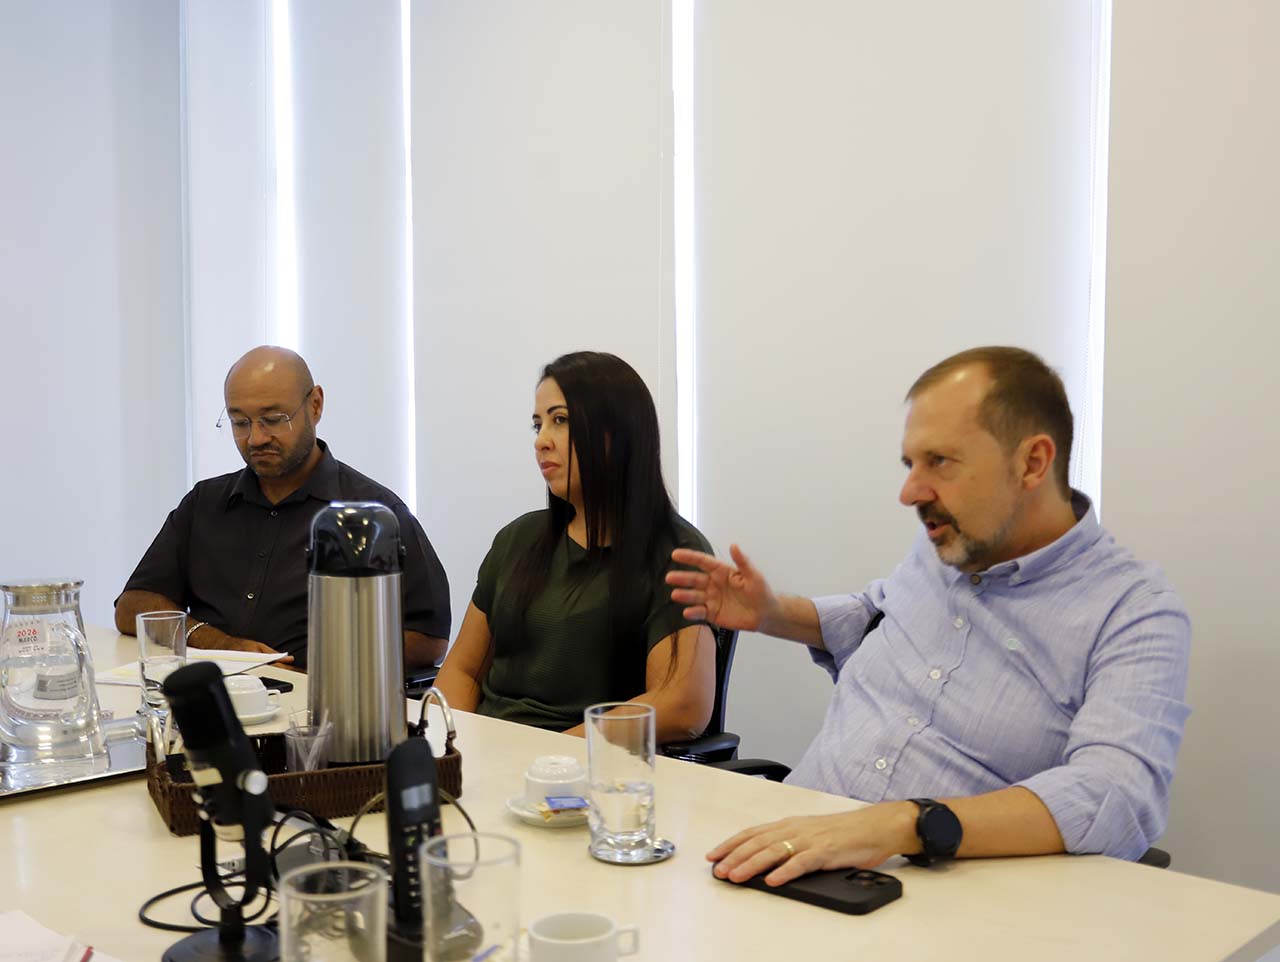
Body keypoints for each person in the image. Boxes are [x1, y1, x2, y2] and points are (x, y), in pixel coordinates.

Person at [666, 346, 1191, 885]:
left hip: (927, 888)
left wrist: (903, 823)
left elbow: (1117, 797)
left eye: (939, 461)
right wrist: (774, 613)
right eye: (910, 464)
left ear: (1033, 462)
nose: (909, 492)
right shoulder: (946, 544)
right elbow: (876, 614)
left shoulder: (1134, 611)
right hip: (796, 840)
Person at [434, 351, 716, 743]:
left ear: (617, 433)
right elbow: (462, 671)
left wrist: (554, 756)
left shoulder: (677, 554)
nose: (541, 442)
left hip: (586, 764)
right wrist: (447, 747)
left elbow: (684, 704)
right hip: (488, 755)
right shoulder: (517, 539)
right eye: (538, 425)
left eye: (560, 420)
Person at [115, 346, 450, 672]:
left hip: (316, 697)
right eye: (240, 422)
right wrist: (216, 641)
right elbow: (133, 605)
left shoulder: (373, 514)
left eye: (273, 419)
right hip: (212, 691)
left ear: (315, 405)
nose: (256, 438)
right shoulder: (206, 503)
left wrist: (327, 672)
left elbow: (428, 638)